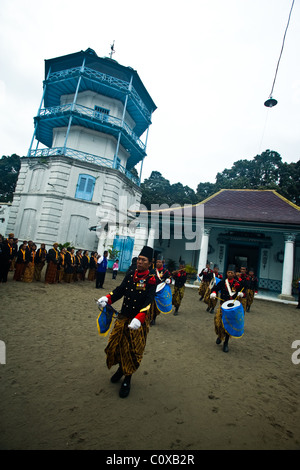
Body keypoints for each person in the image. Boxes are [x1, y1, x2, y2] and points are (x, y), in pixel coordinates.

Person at [97, 246, 156, 398]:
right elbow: (120, 290)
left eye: (144, 260)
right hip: (123, 318)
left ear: (150, 263)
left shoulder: (151, 279)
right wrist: (107, 298)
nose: (140, 262)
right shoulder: (131, 274)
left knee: (132, 350)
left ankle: (127, 379)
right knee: (114, 346)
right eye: (139, 259)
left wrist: (139, 318)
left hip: (137, 322)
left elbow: (149, 302)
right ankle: (120, 369)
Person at [210, 264, 245, 353]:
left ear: (234, 274)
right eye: (228, 272)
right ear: (226, 273)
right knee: (218, 323)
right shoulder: (222, 282)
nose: (230, 274)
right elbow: (215, 288)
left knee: (228, 326)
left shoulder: (238, 284)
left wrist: (242, 294)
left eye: (231, 273)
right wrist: (213, 292)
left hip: (232, 309)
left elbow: (244, 292)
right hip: (222, 306)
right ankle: (220, 336)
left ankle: (226, 343)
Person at [150, 254, 171, 325]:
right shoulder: (152, 271)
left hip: (160, 291)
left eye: (159, 262)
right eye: (157, 262)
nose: (158, 263)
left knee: (156, 306)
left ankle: (154, 318)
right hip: (152, 290)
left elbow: (169, 278)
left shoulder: (165, 272)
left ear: (162, 263)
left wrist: (169, 280)